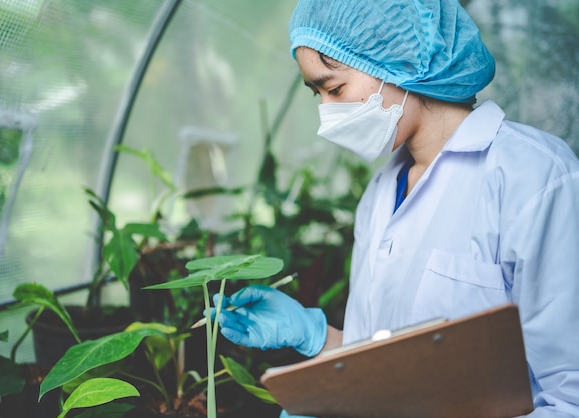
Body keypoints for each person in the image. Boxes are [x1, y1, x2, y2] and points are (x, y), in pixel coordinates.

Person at [210, 0, 579, 416]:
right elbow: (391, 369)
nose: (326, 114)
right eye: (318, 94)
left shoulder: (534, 176)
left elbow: (569, 397)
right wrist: (318, 337)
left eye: (334, 89)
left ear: (401, 60)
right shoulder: (382, 191)